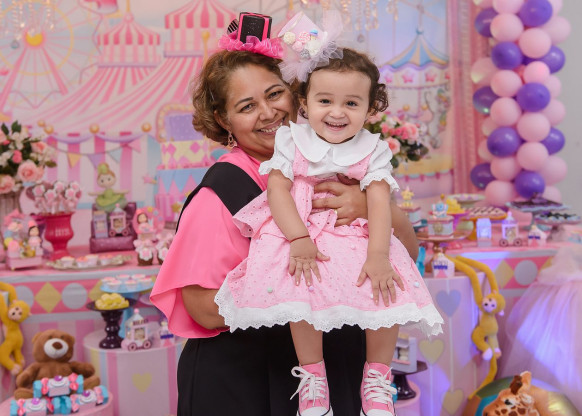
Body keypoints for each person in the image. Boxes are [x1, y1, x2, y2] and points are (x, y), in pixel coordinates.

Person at [150, 16, 421, 416]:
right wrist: (292, 292)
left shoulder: (335, 161)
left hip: (331, 373)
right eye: (246, 106)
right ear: (224, 120)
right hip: (249, 384)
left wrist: (372, 208)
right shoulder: (222, 190)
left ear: (297, 94)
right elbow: (201, 307)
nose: (268, 112)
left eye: (275, 94)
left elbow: (407, 257)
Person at [214, 11, 443, 416]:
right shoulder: (292, 140)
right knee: (300, 292)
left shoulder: (372, 149)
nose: (337, 113)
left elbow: (378, 202)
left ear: (371, 109)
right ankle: (313, 377)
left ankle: (377, 377)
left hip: (356, 234)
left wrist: (378, 254)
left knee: (386, 289)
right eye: (325, 101)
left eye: (351, 103)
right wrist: (298, 237)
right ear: (304, 103)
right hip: (304, 228)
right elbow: (278, 190)